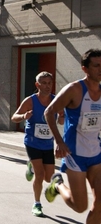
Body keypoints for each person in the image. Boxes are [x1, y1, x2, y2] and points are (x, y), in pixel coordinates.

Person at [44, 48, 101, 223]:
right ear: (85, 68)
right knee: (80, 206)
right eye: (96, 66)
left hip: (96, 152)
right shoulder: (74, 89)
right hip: (74, 153)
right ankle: (58, 184)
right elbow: (49, 112)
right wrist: (59, 142)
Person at [11, 71, 64, 217]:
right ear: (37, 85)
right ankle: (37, 204)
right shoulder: (30, 100)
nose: (48, 86)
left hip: (47, 144)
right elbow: (14, 117)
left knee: (48, 177)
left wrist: (61, 116)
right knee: (40, 175)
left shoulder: (56, 100)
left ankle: (31, 168)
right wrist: (24, 116)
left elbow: (61, 122)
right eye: (44, 83)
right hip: (32, 142)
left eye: (50, 83)